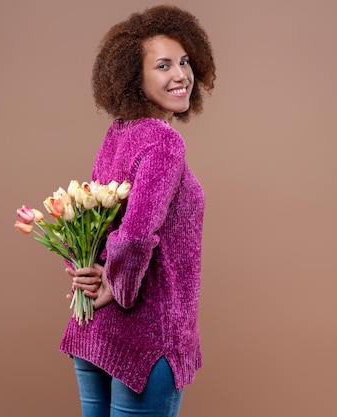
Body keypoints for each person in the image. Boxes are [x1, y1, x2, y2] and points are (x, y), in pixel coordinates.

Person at [60, 5, 216, 416]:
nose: (181, 75)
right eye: (163, 65)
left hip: (94, 328)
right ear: (134, 77)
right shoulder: (165, 142)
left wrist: (88, 271)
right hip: (148, 342)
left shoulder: (117, 134)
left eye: (184, 62)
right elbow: (134, 232)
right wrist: (117, 286)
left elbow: (88, 216)